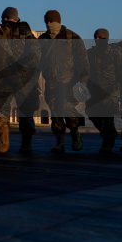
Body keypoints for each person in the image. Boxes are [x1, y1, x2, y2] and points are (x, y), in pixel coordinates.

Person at [38, 10, 89, 155]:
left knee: (67, 108)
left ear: (58, 21)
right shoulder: (42, 39)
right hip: (51, 82)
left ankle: (74, 132)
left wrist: (83, 80)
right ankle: (59, 142)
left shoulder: (72, 37)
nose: (48, 24)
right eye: (46, 21)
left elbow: (82, 61)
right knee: (55, 113)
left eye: (51, 21)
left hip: (69, 82)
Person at [0, 7, 41, 155]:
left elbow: (35, 54)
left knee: (25, 113)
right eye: (4, 19)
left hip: (22, 78)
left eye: (6, 19)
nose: (4, 21)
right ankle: (4, 141)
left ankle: (24, 143)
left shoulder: (24, 32)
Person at [85, 28, 122, 156]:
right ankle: (109, 134)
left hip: (111, 91)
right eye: (96, 37)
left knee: (107, 116)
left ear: (107, 38)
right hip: (94, 91)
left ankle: (108, 143)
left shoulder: (115, 53)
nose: (98, 39)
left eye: (101, 37)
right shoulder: (90, 53)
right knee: (91, 113)